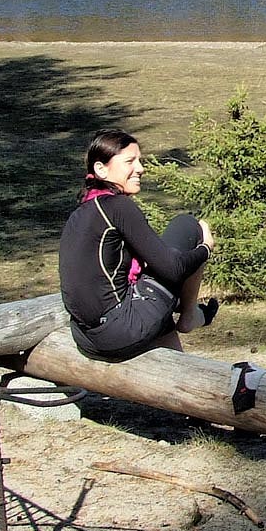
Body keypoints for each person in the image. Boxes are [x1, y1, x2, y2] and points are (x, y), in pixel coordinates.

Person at [59, 128, 219, 359]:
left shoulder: (83, 210)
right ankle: (189, 316)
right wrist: (205, 248)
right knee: (187, 225)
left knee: (149, 296)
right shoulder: (117, 206)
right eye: (130, 161)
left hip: (86, 337)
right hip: (120, 333)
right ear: (101, 169)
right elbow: (172, 269)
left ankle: (171, 378)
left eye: (140, 160)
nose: (140, 168)